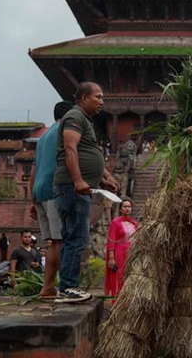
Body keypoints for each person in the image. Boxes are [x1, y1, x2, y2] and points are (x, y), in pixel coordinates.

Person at [53, 82, 119, 303]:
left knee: (73, 235)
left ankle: (66, 286)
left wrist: (104, 177)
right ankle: (68, 287)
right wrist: (78, 180)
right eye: (98, 97)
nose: (101, 101)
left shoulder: (83, 119)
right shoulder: (74, 117)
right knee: (76, 236)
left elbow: (84, 152)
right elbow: (70, 148)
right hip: (72, 188)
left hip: (78, 188)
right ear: (83, 98)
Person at [30, 99, 73, 299]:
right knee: (58, 242)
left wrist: (32, 200)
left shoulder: (42, 137)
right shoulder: (64, 132)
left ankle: (48, 287)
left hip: (39, 191)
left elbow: (33, 170)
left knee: (50, 242)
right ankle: (51, 287)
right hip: (55, 189)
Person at [105, 197, 138, 299]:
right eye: (125, 207)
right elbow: (111, 241)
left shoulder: (135, 223)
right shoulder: (116, 223)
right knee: (119, 276)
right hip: (120, 253)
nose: (127, 209)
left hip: (132, 253)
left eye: (129, 207)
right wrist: (111, 258)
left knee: (131, 276)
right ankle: (117, 302)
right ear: (120, 209)